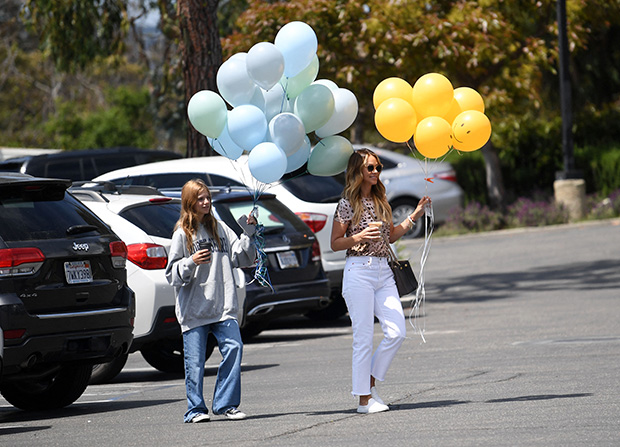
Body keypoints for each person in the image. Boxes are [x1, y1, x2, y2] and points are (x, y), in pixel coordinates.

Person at [330, 148, 431, 414]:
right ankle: (364, 400)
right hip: (358, 271)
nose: (375, 172)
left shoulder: (381, 200)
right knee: (362, 337)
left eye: (378, 168)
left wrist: (414, 216)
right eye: (370, 168)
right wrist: (360, 236)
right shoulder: (346, 203)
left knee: (397, 332)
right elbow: (335, 243)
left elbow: (391, 236)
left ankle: (369, 381)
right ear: (357, 171)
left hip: (384, 272)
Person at [166, 179, 257, 423]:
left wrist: (248, 234)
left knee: (234, 348)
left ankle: (226, 404)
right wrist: (191, 261)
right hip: (195, 309)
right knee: (194, 363)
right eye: (200, 198)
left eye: (207, 197)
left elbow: (242, 257)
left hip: (223, 305)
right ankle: (195, 410)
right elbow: (172, 274)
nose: (206, 202)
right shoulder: (181, 234)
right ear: (190, 202)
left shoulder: (221, 229)